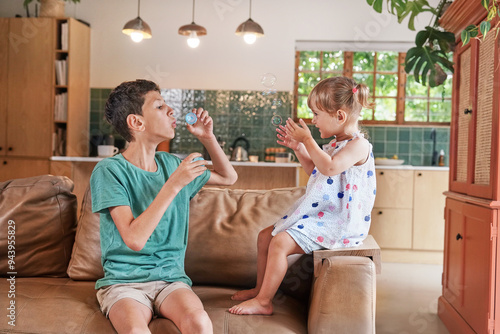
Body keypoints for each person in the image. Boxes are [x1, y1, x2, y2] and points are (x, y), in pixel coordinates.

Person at [90, 79, 237, 334]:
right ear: (137, 122)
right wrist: (173, 185)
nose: (171, 110)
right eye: (159, 106)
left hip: (171, 280)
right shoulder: (110, 170)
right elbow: (134, 239)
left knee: (200, 323)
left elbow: (228, 177)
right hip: (125, 283)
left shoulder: (171, 164)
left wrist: (208, 138)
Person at [229, 76, 377, 315]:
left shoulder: (359, 146)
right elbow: (317, 171)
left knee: (280, 242)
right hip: (325, 217)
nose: (313, 120)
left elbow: (329, 168)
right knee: (265, 236)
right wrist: (299, 148)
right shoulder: (333, 145)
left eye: (317, 114)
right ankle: (260, 289)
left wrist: (308, 140)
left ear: (339, 116)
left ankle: (264, 302)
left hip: (341, 222)